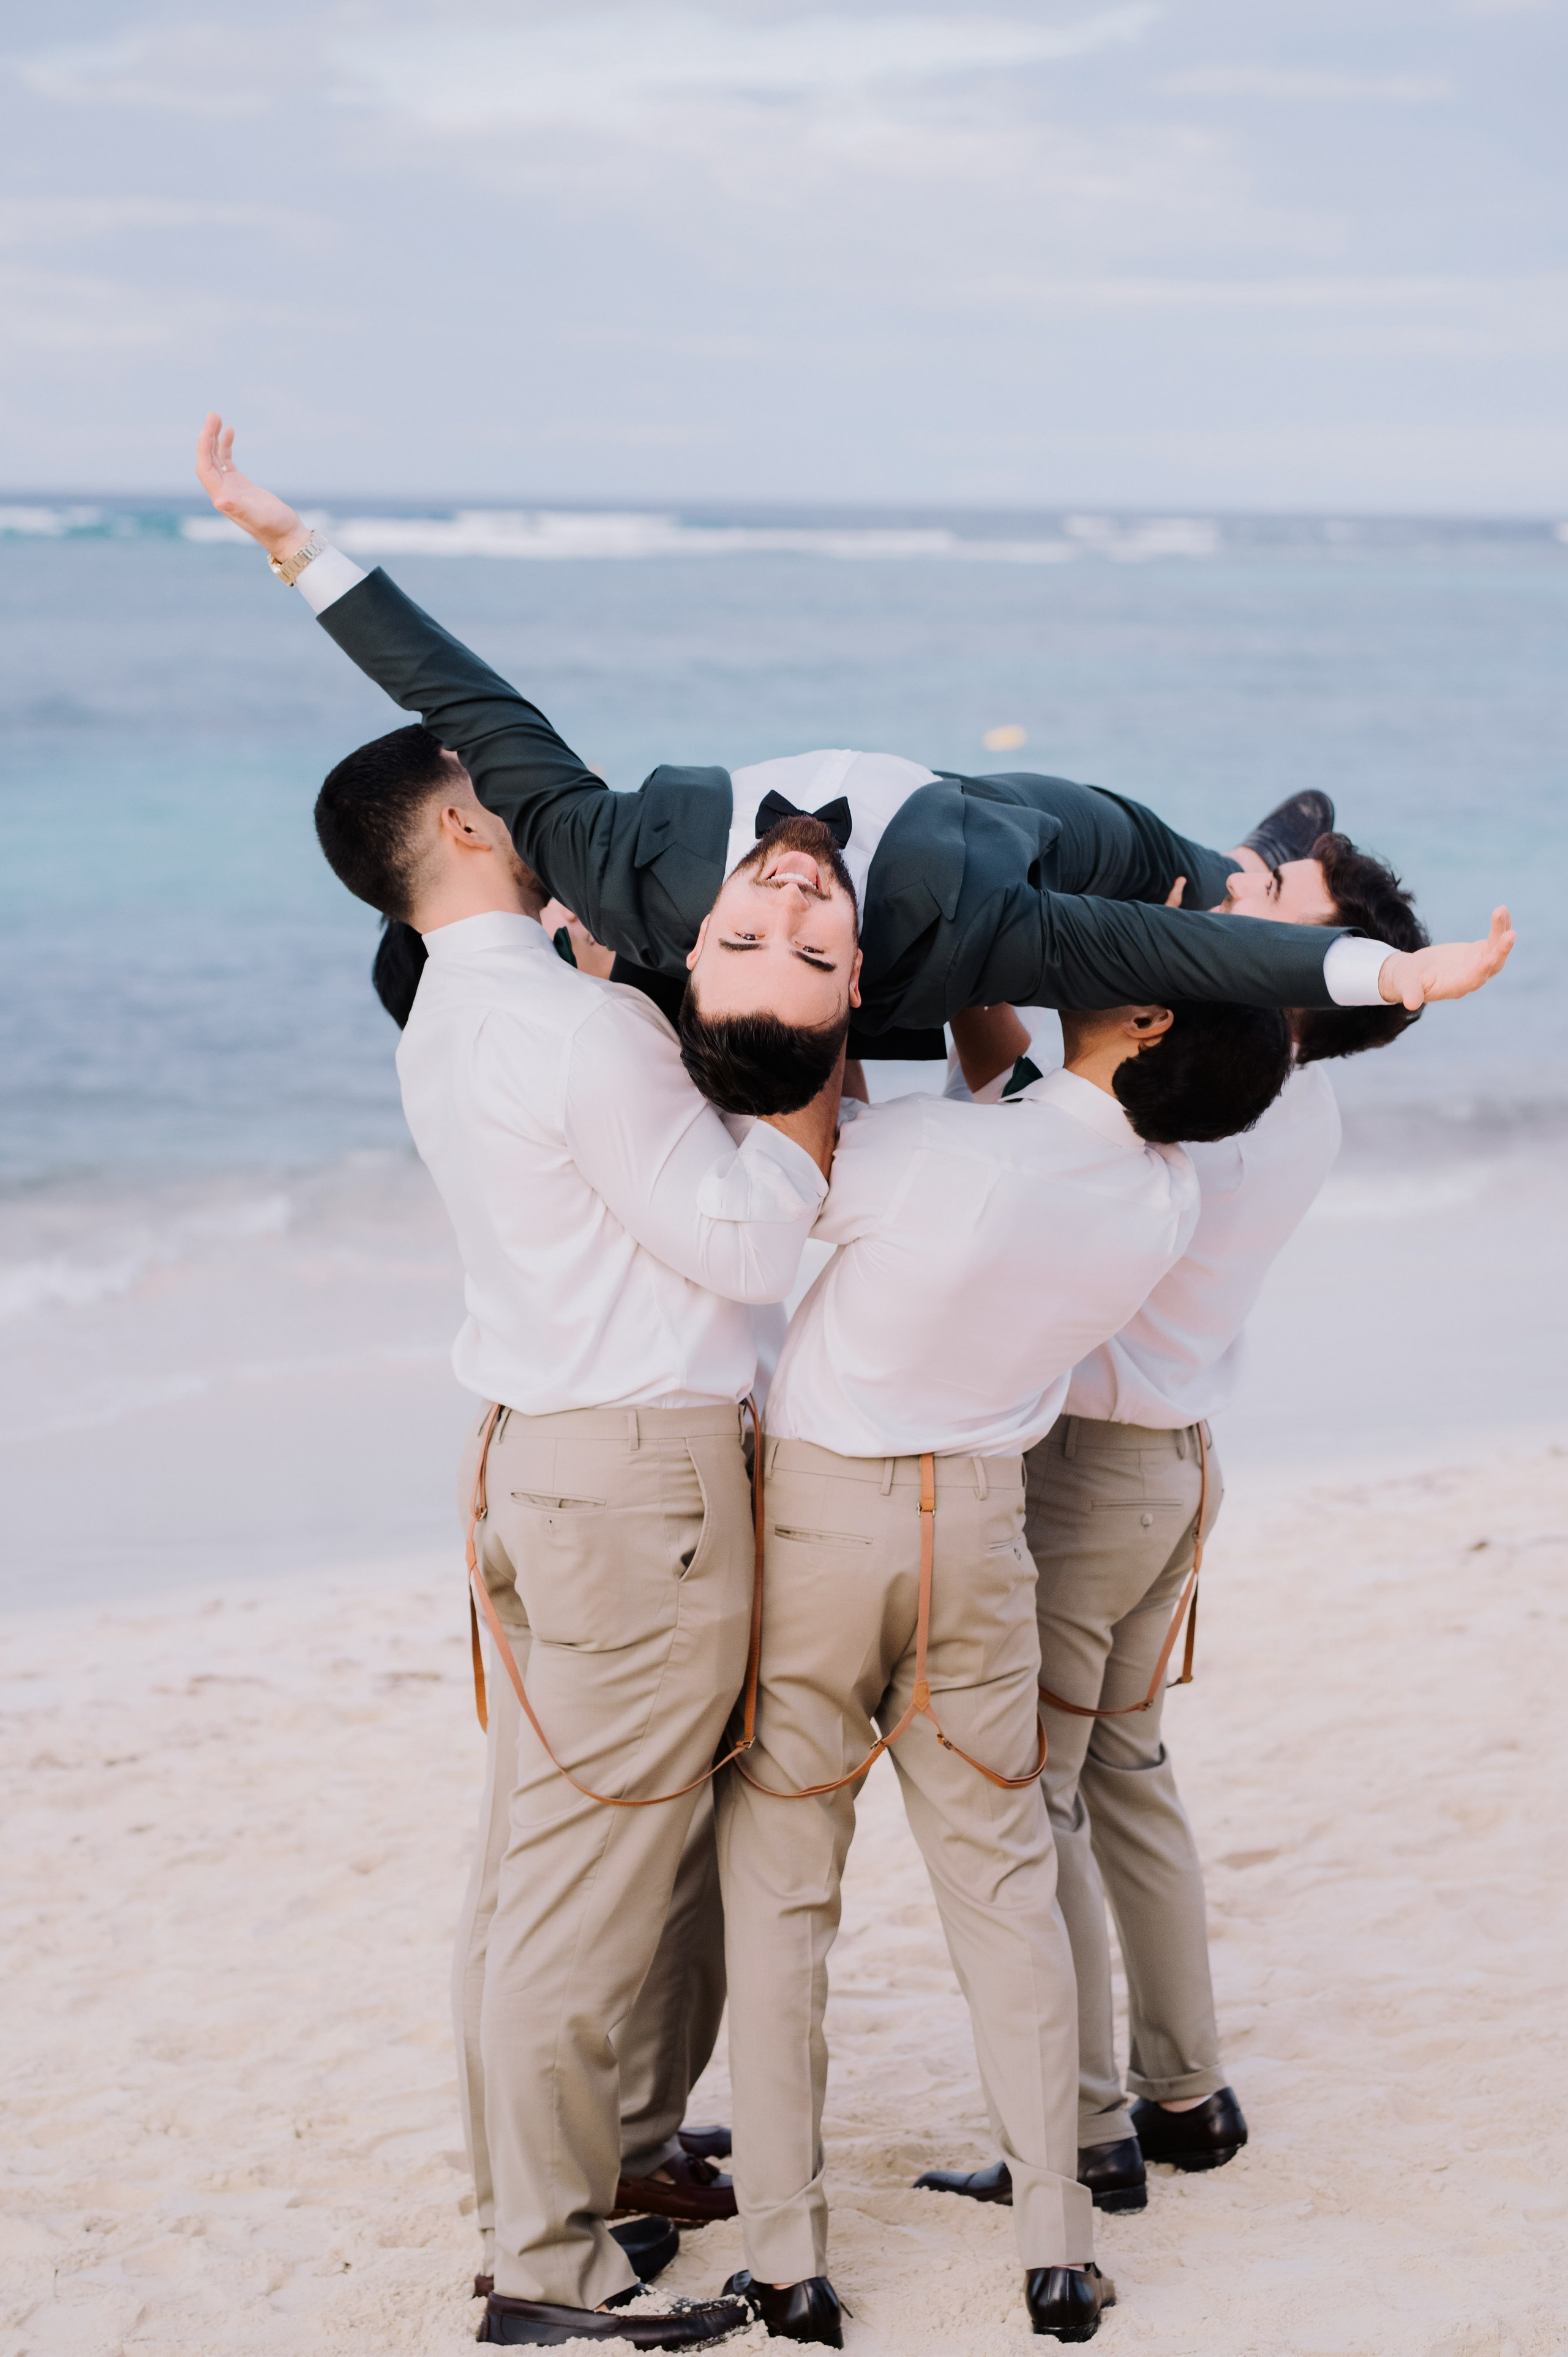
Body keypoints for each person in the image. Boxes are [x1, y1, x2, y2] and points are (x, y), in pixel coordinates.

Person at [193, 417, 1516, 1119]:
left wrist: (291, 545)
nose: (787, 897)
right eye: (810, 945)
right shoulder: (982, 935)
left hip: (749, 920)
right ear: (859, 968)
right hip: (1081, 845)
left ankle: (1264, 877)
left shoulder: (619, 861)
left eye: (745, 935)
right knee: (1198, 910)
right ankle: (1257, 880)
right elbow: (1188, 951)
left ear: (692, 941)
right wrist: (1393, 974)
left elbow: (459, 694)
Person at [311, 719, 834, 2348]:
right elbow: (745, 1249)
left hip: (538, 1464)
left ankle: (590, 2172)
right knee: (579, 1885)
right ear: (470, 824)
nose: (554, 799)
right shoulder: (577, 1026)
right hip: (637, 1480)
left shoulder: (449, 1012)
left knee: (540, 1865)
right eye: (512, 786)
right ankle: (546, 2263)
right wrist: (804, 1094)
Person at [713, 989, 1292, 2347]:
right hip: (981, 1527)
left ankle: (788, 2258)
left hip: (826, 1521)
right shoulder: (1161, 1200)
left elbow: (793, 1164)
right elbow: (1013, 1121)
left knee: (786, 1884)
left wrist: (823, 1003)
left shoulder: (939, 1150)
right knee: (1006, 1882)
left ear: (1144, 1022)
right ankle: (1059, 2246)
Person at [913, 1022, 1348, 2219]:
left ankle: (1084, 2123)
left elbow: (1022, 1146)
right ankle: (1186, 2091)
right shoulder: (1298, 1102)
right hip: (1177, 1459)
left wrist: (983, 1011)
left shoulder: (1186, 1115)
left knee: (1039, 1793)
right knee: (1130, 1770)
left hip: (1087, 1477)